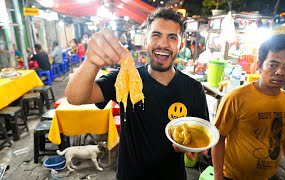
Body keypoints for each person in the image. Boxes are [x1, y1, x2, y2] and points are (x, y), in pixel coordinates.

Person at [65, 8, 209, 180]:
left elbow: (203, 135)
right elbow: (75, 97)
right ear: (146, 40)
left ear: (180, 45)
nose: (163, 44)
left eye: (172, 37)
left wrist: (187, 146)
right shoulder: (125, 78)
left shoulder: (193, 88)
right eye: (156, 35)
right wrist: (91, 62)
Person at [211, 34, 285, 180]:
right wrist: (218, 176)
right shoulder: (236, 97)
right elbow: (218, 138)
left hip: (267, 176)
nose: (280, 72)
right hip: (233, 176)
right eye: (273, 65)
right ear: (260, 64)